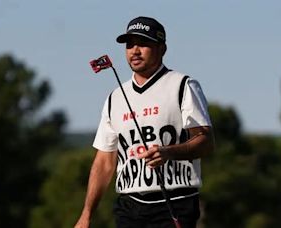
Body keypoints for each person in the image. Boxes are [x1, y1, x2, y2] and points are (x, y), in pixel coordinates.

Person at [75, 16, 215, 228]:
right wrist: (86, 216)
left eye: (143, 43)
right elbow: (104, 161)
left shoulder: (182, 85)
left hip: (175, 202)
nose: (135, 51)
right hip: (128, 207)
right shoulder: (115, 97)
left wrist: (169, 152)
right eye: (130, 44)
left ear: (162, 49)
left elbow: (206, 141)